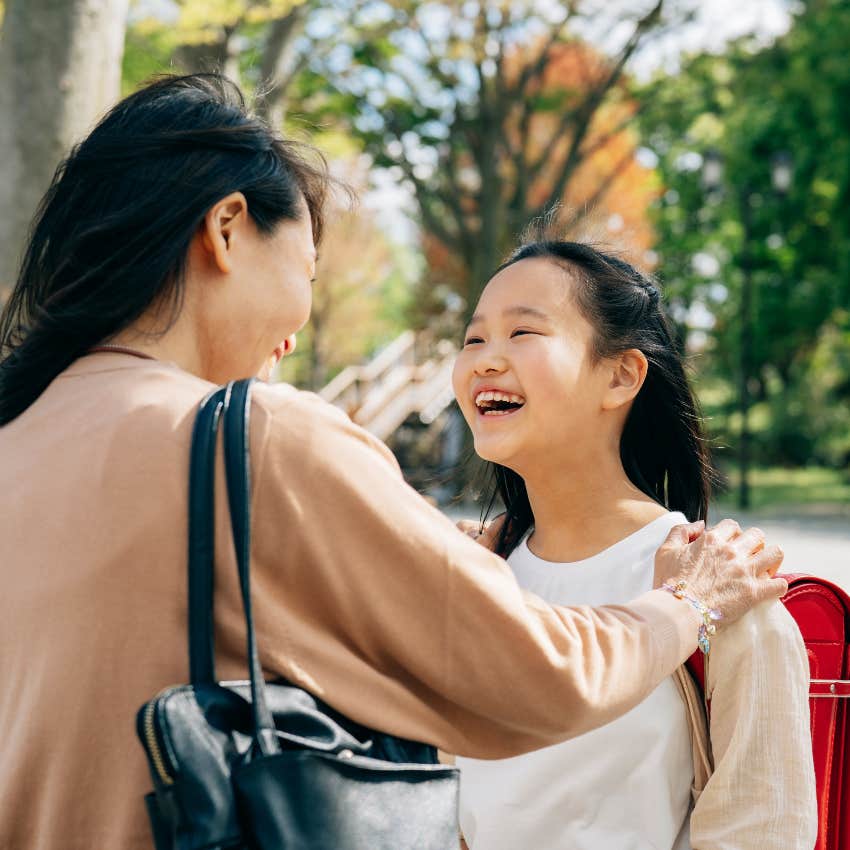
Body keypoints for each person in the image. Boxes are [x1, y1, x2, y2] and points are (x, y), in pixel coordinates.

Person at [0, 75, 786, 850]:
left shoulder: (20, 442)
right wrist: (689, 606)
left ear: (624, 375)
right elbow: (539, 678)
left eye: (523, 333)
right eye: (306, 273)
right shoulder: (252, 439)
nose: (296, 334)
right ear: (228, 229)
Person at [451, 239, 817, 849]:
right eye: (473, 339)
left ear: (621, 375)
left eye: (522, 333)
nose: (486, 360)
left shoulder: (725, 591)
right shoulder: (476, 575)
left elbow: (762, 830)